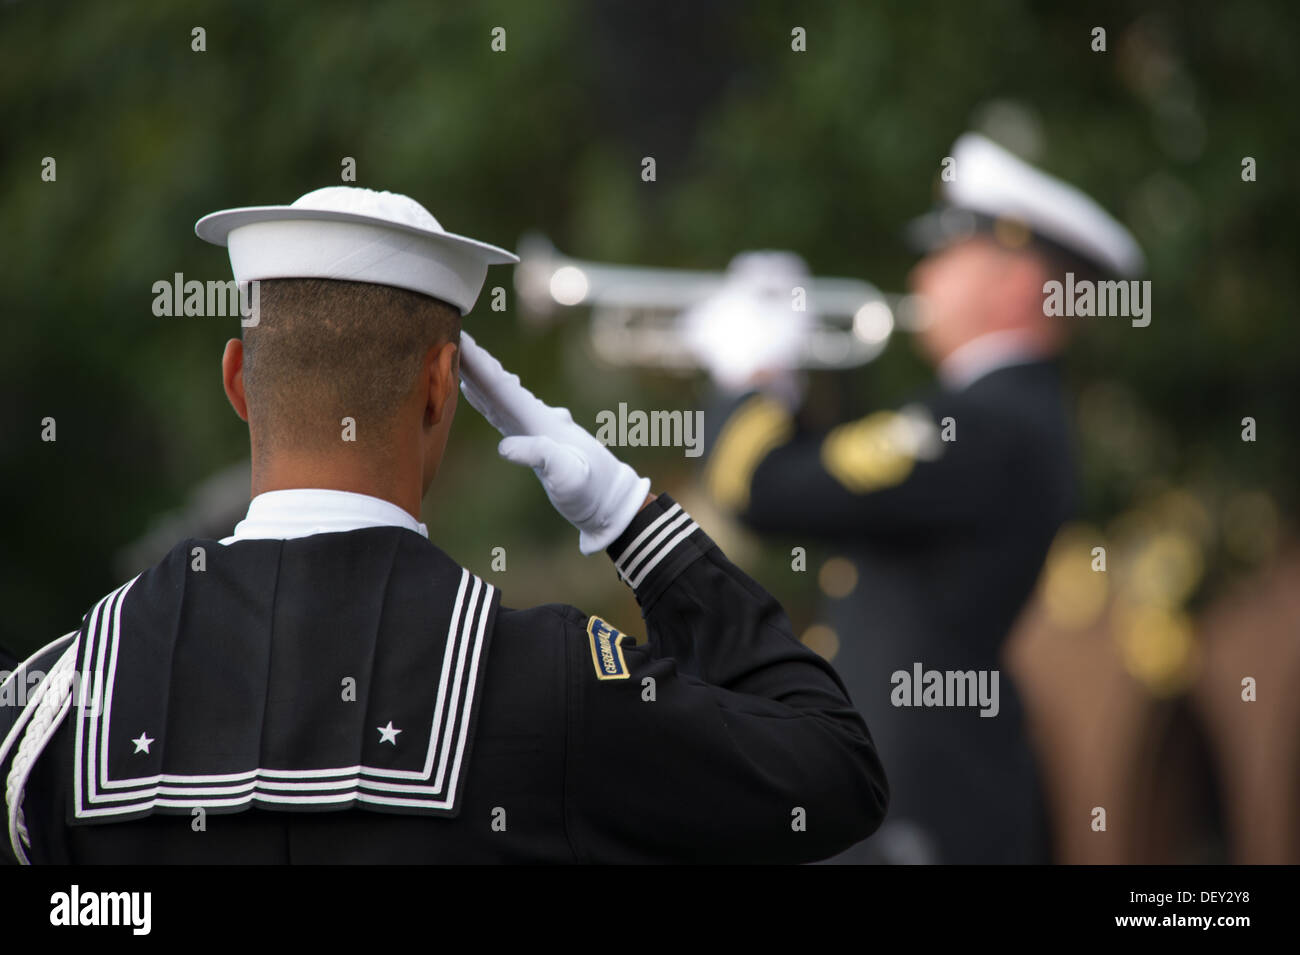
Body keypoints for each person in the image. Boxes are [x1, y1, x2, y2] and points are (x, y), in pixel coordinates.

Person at [1, 186, 887, 864]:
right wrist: (626, 510)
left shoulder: (69, 692)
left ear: (237, 379)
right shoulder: (547, 684)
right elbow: (834, 769)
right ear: (440, 386)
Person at [698, 133, 1145, 863]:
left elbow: (762, 489)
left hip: (921, 807)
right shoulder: (984, 417)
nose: (921, 272)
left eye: (947, 252)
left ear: (1017, 281)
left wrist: (752, 375)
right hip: (918, 798)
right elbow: (827, 480)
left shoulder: (986, 425)